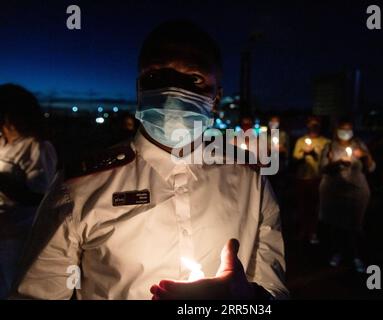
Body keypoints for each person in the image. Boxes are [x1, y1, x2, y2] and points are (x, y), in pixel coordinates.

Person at [11, 20, 288, 300]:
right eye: (156, 77)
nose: (171, 91)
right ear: (139, 89)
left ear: (216, 98)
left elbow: (274, 291)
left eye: (192, 79)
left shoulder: (250, 180)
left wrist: (244, 299)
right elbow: (34, 294)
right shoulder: (80, 187)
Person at [0, 84, 57, 298]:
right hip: (3, 229)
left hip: (19, 236)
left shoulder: (37, 147)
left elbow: (39, 196)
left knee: (13, 287)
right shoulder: (3, 143)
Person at [319, 119, 375, 272]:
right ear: (337, 131)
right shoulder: (329, 146)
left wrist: (364, 155)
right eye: (342, 129)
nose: (345, 132)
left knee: (355, 226)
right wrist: (336, 163)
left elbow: (371, 167)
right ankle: (337, 252)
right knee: (336, 224)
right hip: (334, 191)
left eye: (348, 129)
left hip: (357, 192)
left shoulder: (359, 145)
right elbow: (322, 168)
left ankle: (356, 255)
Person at [292, 116, 329, 244]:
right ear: (307, 125)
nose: (313, 126)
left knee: (315, 207)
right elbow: (295, 159)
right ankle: (303, 231)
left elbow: (327, 161)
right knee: (302, 206)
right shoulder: (301, 141)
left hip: (317, 178)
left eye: (316, 124)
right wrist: (304, 154)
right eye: (311, 123)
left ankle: (313, 232)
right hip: (302, 178)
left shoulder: (326, 142)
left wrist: (315, 154)